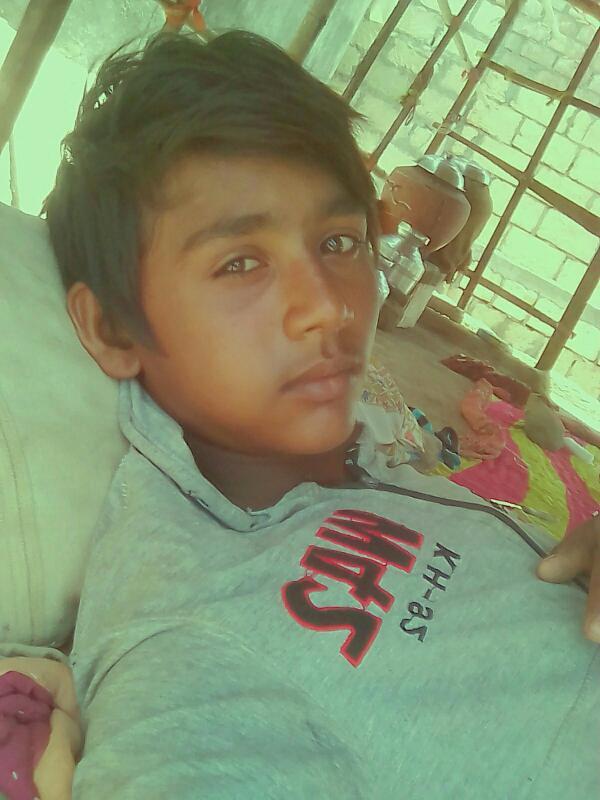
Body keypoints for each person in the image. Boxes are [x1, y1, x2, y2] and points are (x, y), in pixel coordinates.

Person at [37, 29, 598, 799]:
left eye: (339, 242)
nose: (330, 308)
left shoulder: (358, 453)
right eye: (241, 263)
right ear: (111, 329)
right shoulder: (190, 629)